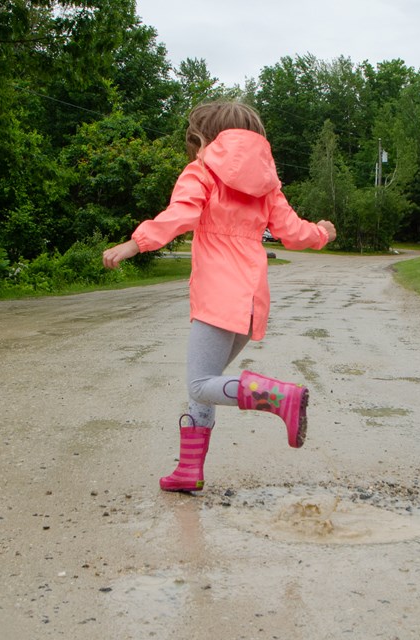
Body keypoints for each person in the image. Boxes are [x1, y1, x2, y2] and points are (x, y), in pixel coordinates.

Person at [101, 101, 337, 492]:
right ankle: (189, 470)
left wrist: (134, 243)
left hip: (217, 299)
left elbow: (180, 215)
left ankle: (279, 397)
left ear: (206, 138)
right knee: (206, 380)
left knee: (199, 384)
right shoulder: (267, 185)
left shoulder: (203, 171)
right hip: (250, 302)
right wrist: (322, 233)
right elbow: (292, 231)